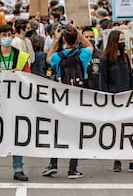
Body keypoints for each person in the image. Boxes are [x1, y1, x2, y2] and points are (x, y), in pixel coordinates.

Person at [42, 23, 93, 179]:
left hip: (62, 98)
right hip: (78, 98)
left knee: (58, 131)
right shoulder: (83, 54)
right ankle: (72, 168)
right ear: (77, 38)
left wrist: (57, 40)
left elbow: (48, 58)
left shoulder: (58, 57)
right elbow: (90, 45)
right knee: (76, 133)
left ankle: (53, 164)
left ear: (64, 38)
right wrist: (78, 33)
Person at [0, 24, 30, 182]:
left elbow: (29, 77)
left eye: (10, 34)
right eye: (4, 35)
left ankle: (18, 168)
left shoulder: (21, 56)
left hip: (16, 101)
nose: (7, 37)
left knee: (16, 135)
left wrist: (20, 74)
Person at [99, 29, 133, 173]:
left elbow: (130, 78)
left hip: (127, 99)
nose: (123, 43)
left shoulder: (125, 56)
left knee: (129, 129)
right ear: (114, 42)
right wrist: (107, 98)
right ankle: (117, 160)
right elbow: (103, 82)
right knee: (117, 131)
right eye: (120, 41)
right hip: (113, 100)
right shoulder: (105, 60)